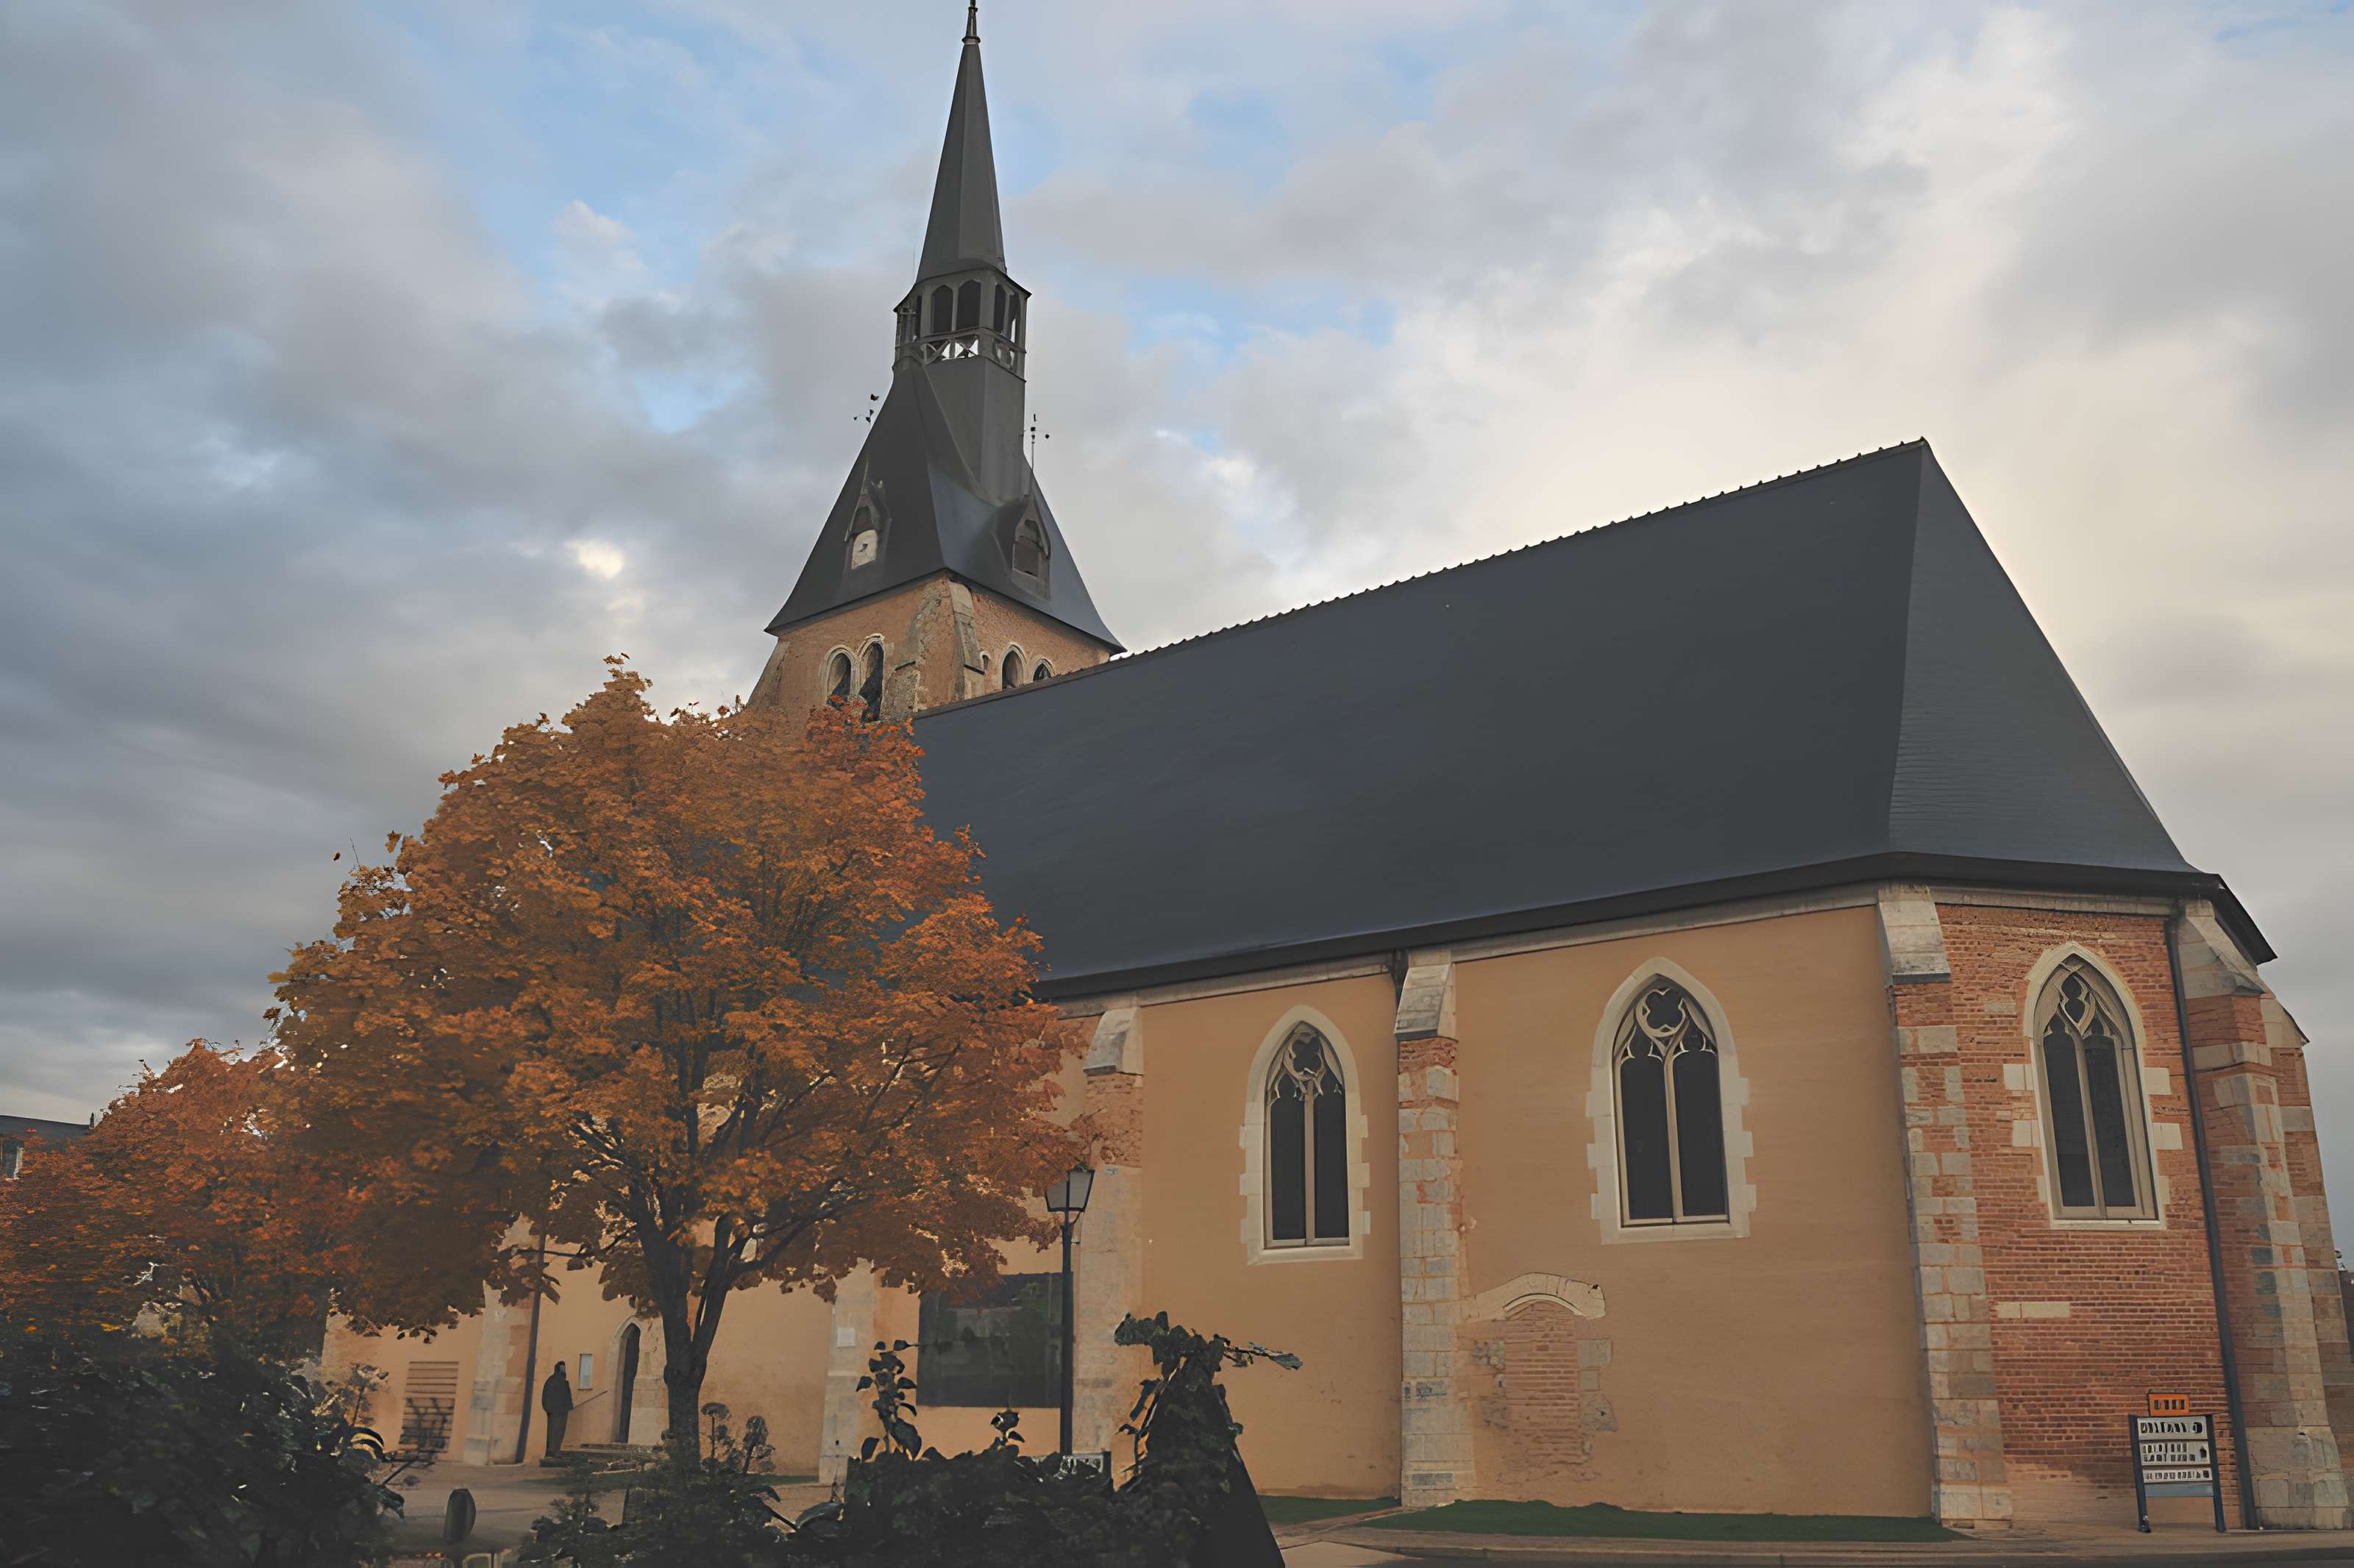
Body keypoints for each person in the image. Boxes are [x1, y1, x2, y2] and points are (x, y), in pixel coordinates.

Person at [541, 1363, 573, 1457]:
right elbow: (546, 1396)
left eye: (564, 1368)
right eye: (562, 1368)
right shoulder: (552, 1381)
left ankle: (555, 1450)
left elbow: (566, 1396)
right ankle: (552, 1451)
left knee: (560, 1431)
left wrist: (569, 1406)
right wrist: (549, 1409)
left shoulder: (563, 1382)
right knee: (554, 1431)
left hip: (562, 1411)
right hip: (555, 1412)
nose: (563, 1370)